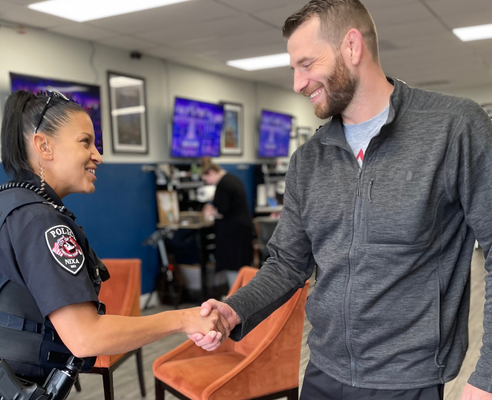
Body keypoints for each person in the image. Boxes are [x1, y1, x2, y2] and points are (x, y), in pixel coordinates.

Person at [190, 1, 492, 399]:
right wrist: (234, 310)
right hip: (323, 371)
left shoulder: (454, 128)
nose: (297, 83)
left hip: (407, 380)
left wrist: (486, 378)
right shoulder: (308, 159)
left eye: (306, 64)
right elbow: (287, 263)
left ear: (351, 47)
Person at [0, 90, 229, 399]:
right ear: (44, 146)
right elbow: (85, 337)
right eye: (85, 142)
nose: (98, 156)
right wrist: (183, 318)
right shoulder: (39, 221)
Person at [200, 163, 254, 288]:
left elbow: (222, 210)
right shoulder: (233, 179)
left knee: (233, 263)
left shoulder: (223, 184)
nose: (208, 183)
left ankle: (234, 294)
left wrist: (210, 211)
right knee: (242, 264)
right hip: (243, 228)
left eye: (206, 179)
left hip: (232, 232)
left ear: (212, 172)